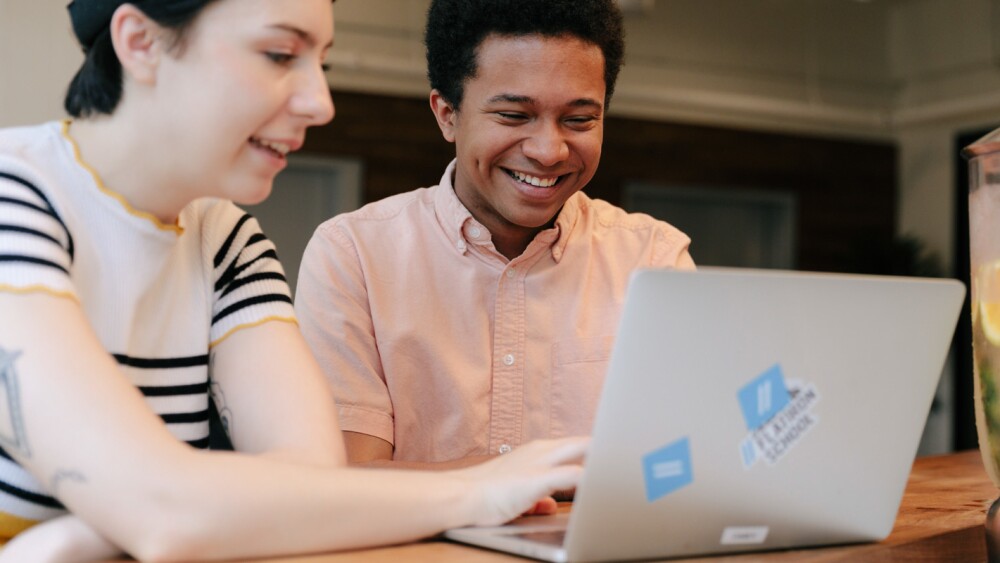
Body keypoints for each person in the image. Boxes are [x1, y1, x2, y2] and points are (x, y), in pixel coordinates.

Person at [0, 0, 587, 560]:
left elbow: (311, 486)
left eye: (321, 63)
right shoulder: (15, 198)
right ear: (141, 42)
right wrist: (483, 489)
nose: (320, 102)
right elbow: (166, 512)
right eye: (281, 56)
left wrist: (97, 528)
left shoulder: (225, 238)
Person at [295, 0, 695, 470]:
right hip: (418, 546)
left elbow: (685, 460)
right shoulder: (355, 255)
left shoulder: (654, 259)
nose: (548, 151)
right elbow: (349, 477)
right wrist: (533, 477)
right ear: (447, 114)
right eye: (513, 116)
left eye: (579, 120)